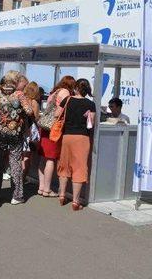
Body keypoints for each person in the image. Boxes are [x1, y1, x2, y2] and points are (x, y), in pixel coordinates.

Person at [0, 70, 34, 205]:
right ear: (16, 81)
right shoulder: (19, 94)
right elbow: (29, 111)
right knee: (15, 163)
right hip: (15, 134)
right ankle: (16, 195)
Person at [57, 78, 96, 210]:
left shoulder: (67, 100)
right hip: (82, 138)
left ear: (75, 88)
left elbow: (57, 114)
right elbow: (91, 125)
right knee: (79, 168)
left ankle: (62, 195)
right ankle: (75, 201)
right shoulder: (90, 104)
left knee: (64, 165)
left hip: (67, 136)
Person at [37, 76, 75, 197]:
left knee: (43, 158)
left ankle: (41, 187)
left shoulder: (54, 92)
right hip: (54, 128)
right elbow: (61, 111)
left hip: (44, 126)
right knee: (50, 158)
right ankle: (47, 189)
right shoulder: (65, 93)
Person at [22, 81, 41, 181]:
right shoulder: (34, 102)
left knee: (21, 155)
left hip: (22, 128)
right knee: (27, 156)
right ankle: (22, 178)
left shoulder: (23, 100)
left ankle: (17, 177)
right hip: (31, 129)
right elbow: (37, 118)